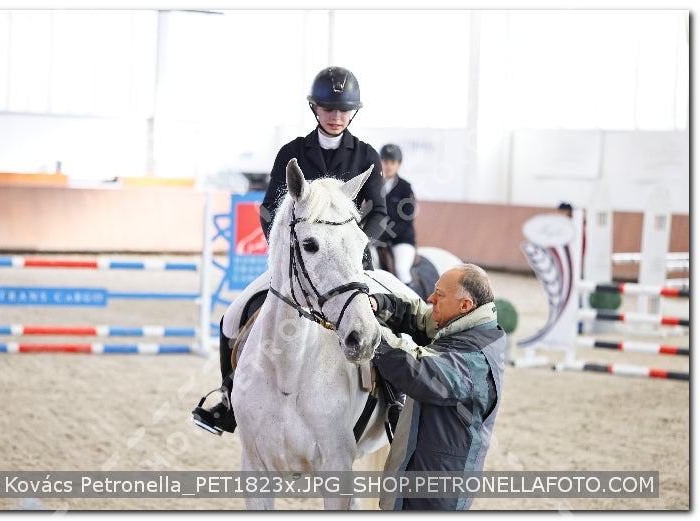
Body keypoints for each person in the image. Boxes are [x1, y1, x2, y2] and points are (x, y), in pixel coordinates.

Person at [192, 66, 388, 436]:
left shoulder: (366, 156)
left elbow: (379, 211)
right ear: (315, 108)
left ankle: (393, 403)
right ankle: (228, 399)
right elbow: (269, 209)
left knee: (389, 318)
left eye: (344, 110)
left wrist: (352, 246)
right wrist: (286, 255)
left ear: (353, 112)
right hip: (298, 264)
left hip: (351, 266)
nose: (336, 116)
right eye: (328, 109)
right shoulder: (292, 153)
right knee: (232, 317)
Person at [368, 263, 506, 510]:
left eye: (439, 295)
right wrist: (378, 304)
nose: (431, 299)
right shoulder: (466, 324)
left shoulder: (475, 359)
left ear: (465, 305)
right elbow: (419, 316)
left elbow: (416, 370)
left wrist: (368, 330)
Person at [376, 143, 417, 285]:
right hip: (376, 239)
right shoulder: (374, 185)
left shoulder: (405, 188)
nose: (388, 166)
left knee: (401, 269)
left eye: (392, 162)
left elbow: (407, 221)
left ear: (398, 164)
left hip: (400, 240)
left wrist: (383, 235)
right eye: (385, 161)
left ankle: (411, 296)